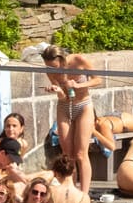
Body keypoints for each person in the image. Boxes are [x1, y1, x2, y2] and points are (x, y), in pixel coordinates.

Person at [41, 44, 103, 193]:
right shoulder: (50, 71)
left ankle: (84, 194)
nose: (53, 70)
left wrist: (79, 85)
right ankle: (70, 189)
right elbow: (62, 95)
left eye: (55, 66)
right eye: (49, 67)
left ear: (62, 59)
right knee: (67, 154)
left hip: (83, 105)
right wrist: (56, 90)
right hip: (64, 106)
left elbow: (97, 80)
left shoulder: (78, 60)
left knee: (81, 154)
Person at [0, 113, 28, 191]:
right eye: (8, 126)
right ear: (1, 153)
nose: (11, 129)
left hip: (4, 176)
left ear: (21, 128)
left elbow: (13, 167)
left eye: (14, 126)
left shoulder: (23, 144)